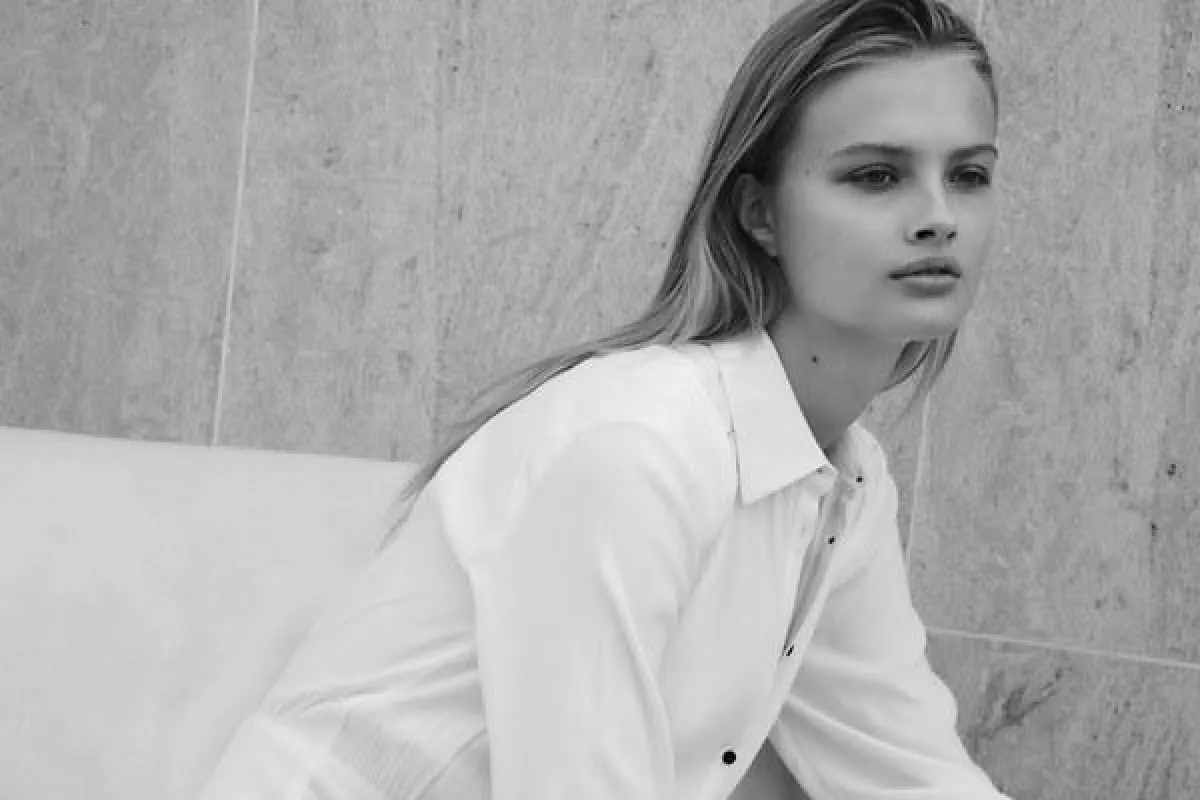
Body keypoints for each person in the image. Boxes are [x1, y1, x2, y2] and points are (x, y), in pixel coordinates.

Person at [199, 0, 1014, 797]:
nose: (938, 217)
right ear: (759, 214)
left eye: (969, 175)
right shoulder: (639, 443)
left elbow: (910, 772)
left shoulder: (844, 482)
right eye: (876, 175)